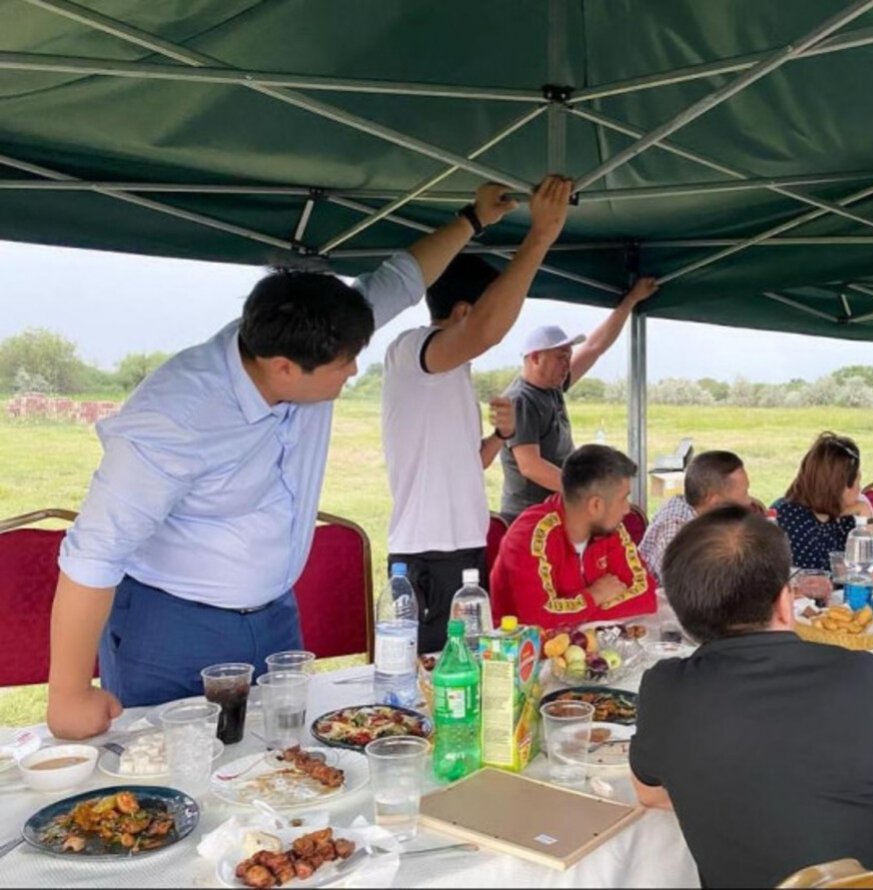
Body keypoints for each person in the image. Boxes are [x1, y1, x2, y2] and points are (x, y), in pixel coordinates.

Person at [46, 183, 519, 740]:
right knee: (176, 772)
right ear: (284, 369)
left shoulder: (310, 334)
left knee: (282, 765)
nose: (352, 373)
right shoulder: (175, 418)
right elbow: (94, 555)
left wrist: (472, 219)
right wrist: (69, 693)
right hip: (172, 628)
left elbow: (399, 280)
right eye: (344, 366)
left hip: (274, 617)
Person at [630, 505, 873, 888]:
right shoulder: (872, 674)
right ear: (786, 602)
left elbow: (648, 793)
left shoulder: (667, 691)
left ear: (683, 619)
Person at [381, 176, 572, 653]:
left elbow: (470, 463)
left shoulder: (452, 372)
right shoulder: (414, 351)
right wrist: (540, 237)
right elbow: (486, 331)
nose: (501, 324)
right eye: (493, 307)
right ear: (465, 309)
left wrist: (497, 437)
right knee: (433, 677)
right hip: (427, 553)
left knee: (467, 672)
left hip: (462, 545)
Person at [497, 277, 659, 521]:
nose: (567, 364)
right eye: (561, 357)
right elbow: (530, 465)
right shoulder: (521, 400)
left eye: (568, 356)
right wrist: (583, 490)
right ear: (535, 358)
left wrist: (631, 300)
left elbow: (595, 346)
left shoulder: (552, 387)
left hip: (555, 509)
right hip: (528, 517)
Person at [489, 444, 657, 629]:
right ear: (595, 506)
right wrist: (594, 596)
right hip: (520, 652)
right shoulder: (529, 536)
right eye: (624, 498)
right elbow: (538, 620)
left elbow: (645, 595)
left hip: (590, 646)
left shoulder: (610, 528)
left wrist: (576, 615)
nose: (627, 509)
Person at [771, 432, 873, 570]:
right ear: (840, 487)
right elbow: (816, 578)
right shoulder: (789, 517)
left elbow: (867, 568)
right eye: (858, 482)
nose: (859, 490)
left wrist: (865, 514)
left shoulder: (848, 513)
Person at [638, 450, 752, 581]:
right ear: (715, 501)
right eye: (744, 493)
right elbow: (684, 587)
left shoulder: (712, 517)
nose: (748, 501)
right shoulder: (675, 527)